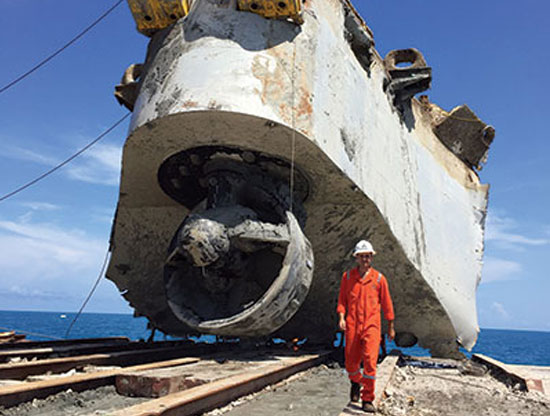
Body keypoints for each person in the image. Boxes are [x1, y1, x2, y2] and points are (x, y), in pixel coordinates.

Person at [337, 240, 395, 413]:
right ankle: (356, 382)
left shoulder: (379, 279)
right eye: (362, 256)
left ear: (371, 257)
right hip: (353, 325)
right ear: (356, 258)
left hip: (372, 326)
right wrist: (341, 317)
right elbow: (342, 300)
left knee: (370, 361)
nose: (365, 259)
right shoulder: (348, 277)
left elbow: (387, 304)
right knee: (350, 363)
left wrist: (391, 326)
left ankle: (367, 398)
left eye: (368, 256)